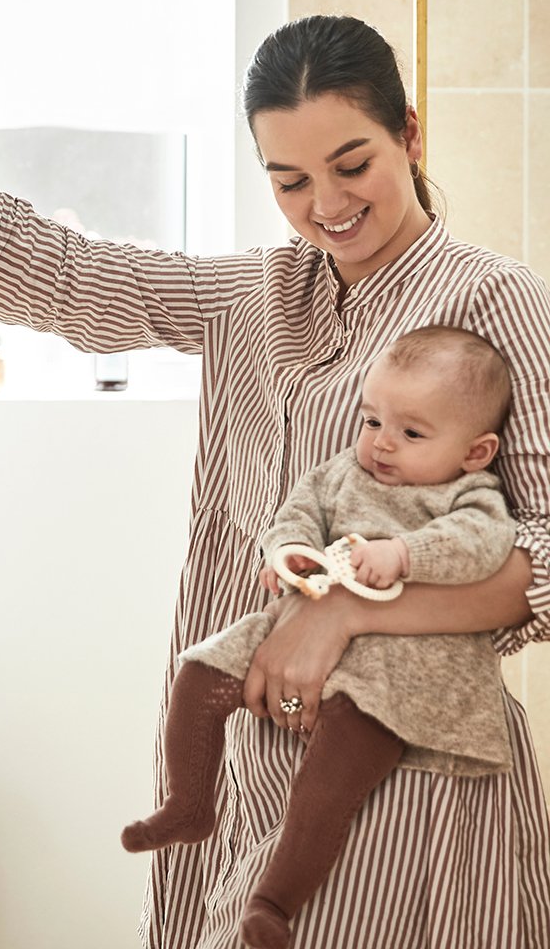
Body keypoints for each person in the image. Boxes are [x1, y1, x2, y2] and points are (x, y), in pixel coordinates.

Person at [0, 14, 550, 947]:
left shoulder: (491, 301)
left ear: (411, 135)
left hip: (415, 778)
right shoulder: (258, 296)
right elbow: (60, 276)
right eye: (290, 181)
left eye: (353, 165)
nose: (327, 204)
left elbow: (540, 559)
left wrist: (347, 611)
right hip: (254, 763)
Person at [121, 324, 516, 949]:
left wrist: (405, 553)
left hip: (402, 666)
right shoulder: (339, 475)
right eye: (371, 421)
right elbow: (294, 516)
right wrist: (290, 553)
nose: (382, 444)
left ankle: (274, 902)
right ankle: (190, 801)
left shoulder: (470, 495)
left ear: (475, 451)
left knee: (341, 767)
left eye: (411, 433)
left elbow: (485, 547)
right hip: (302, 617)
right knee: (197, 674)